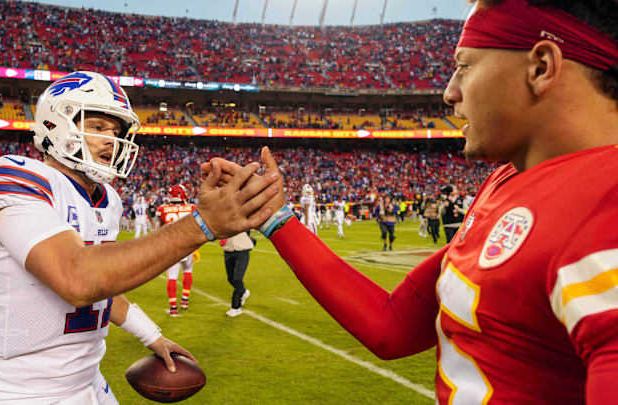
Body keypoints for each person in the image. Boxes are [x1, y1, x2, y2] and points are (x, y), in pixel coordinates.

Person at [206, 0, 618, 402]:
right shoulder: (508, 180)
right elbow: (393, 324)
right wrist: (275, 216)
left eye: (464, 66)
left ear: (541, 66)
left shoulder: (606, 207)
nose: (450, 93)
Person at [0, 71, 280, 404]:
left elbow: (102, 290)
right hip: (20, 392)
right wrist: (201, 224)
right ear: (56, 123)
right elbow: (76, 279)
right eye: (99, 127)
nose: (110, 140)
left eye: (116, 131)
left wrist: (152, 336)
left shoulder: (108, 199)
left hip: (88, 379)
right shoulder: (13, 175)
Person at [157, 185, 196, 317]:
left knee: (172, 277)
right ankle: (185, 300)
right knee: (188, 272)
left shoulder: (162, 209)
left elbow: (159, 230)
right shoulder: (192, 208)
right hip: (189, 246)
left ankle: (173, 308)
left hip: (172, 247)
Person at [220, 231, 253, 317]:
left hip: (242, 250)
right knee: (230, 279)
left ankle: (236, 308)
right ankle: (243, 292)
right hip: (228, 250)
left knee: (237, 279)